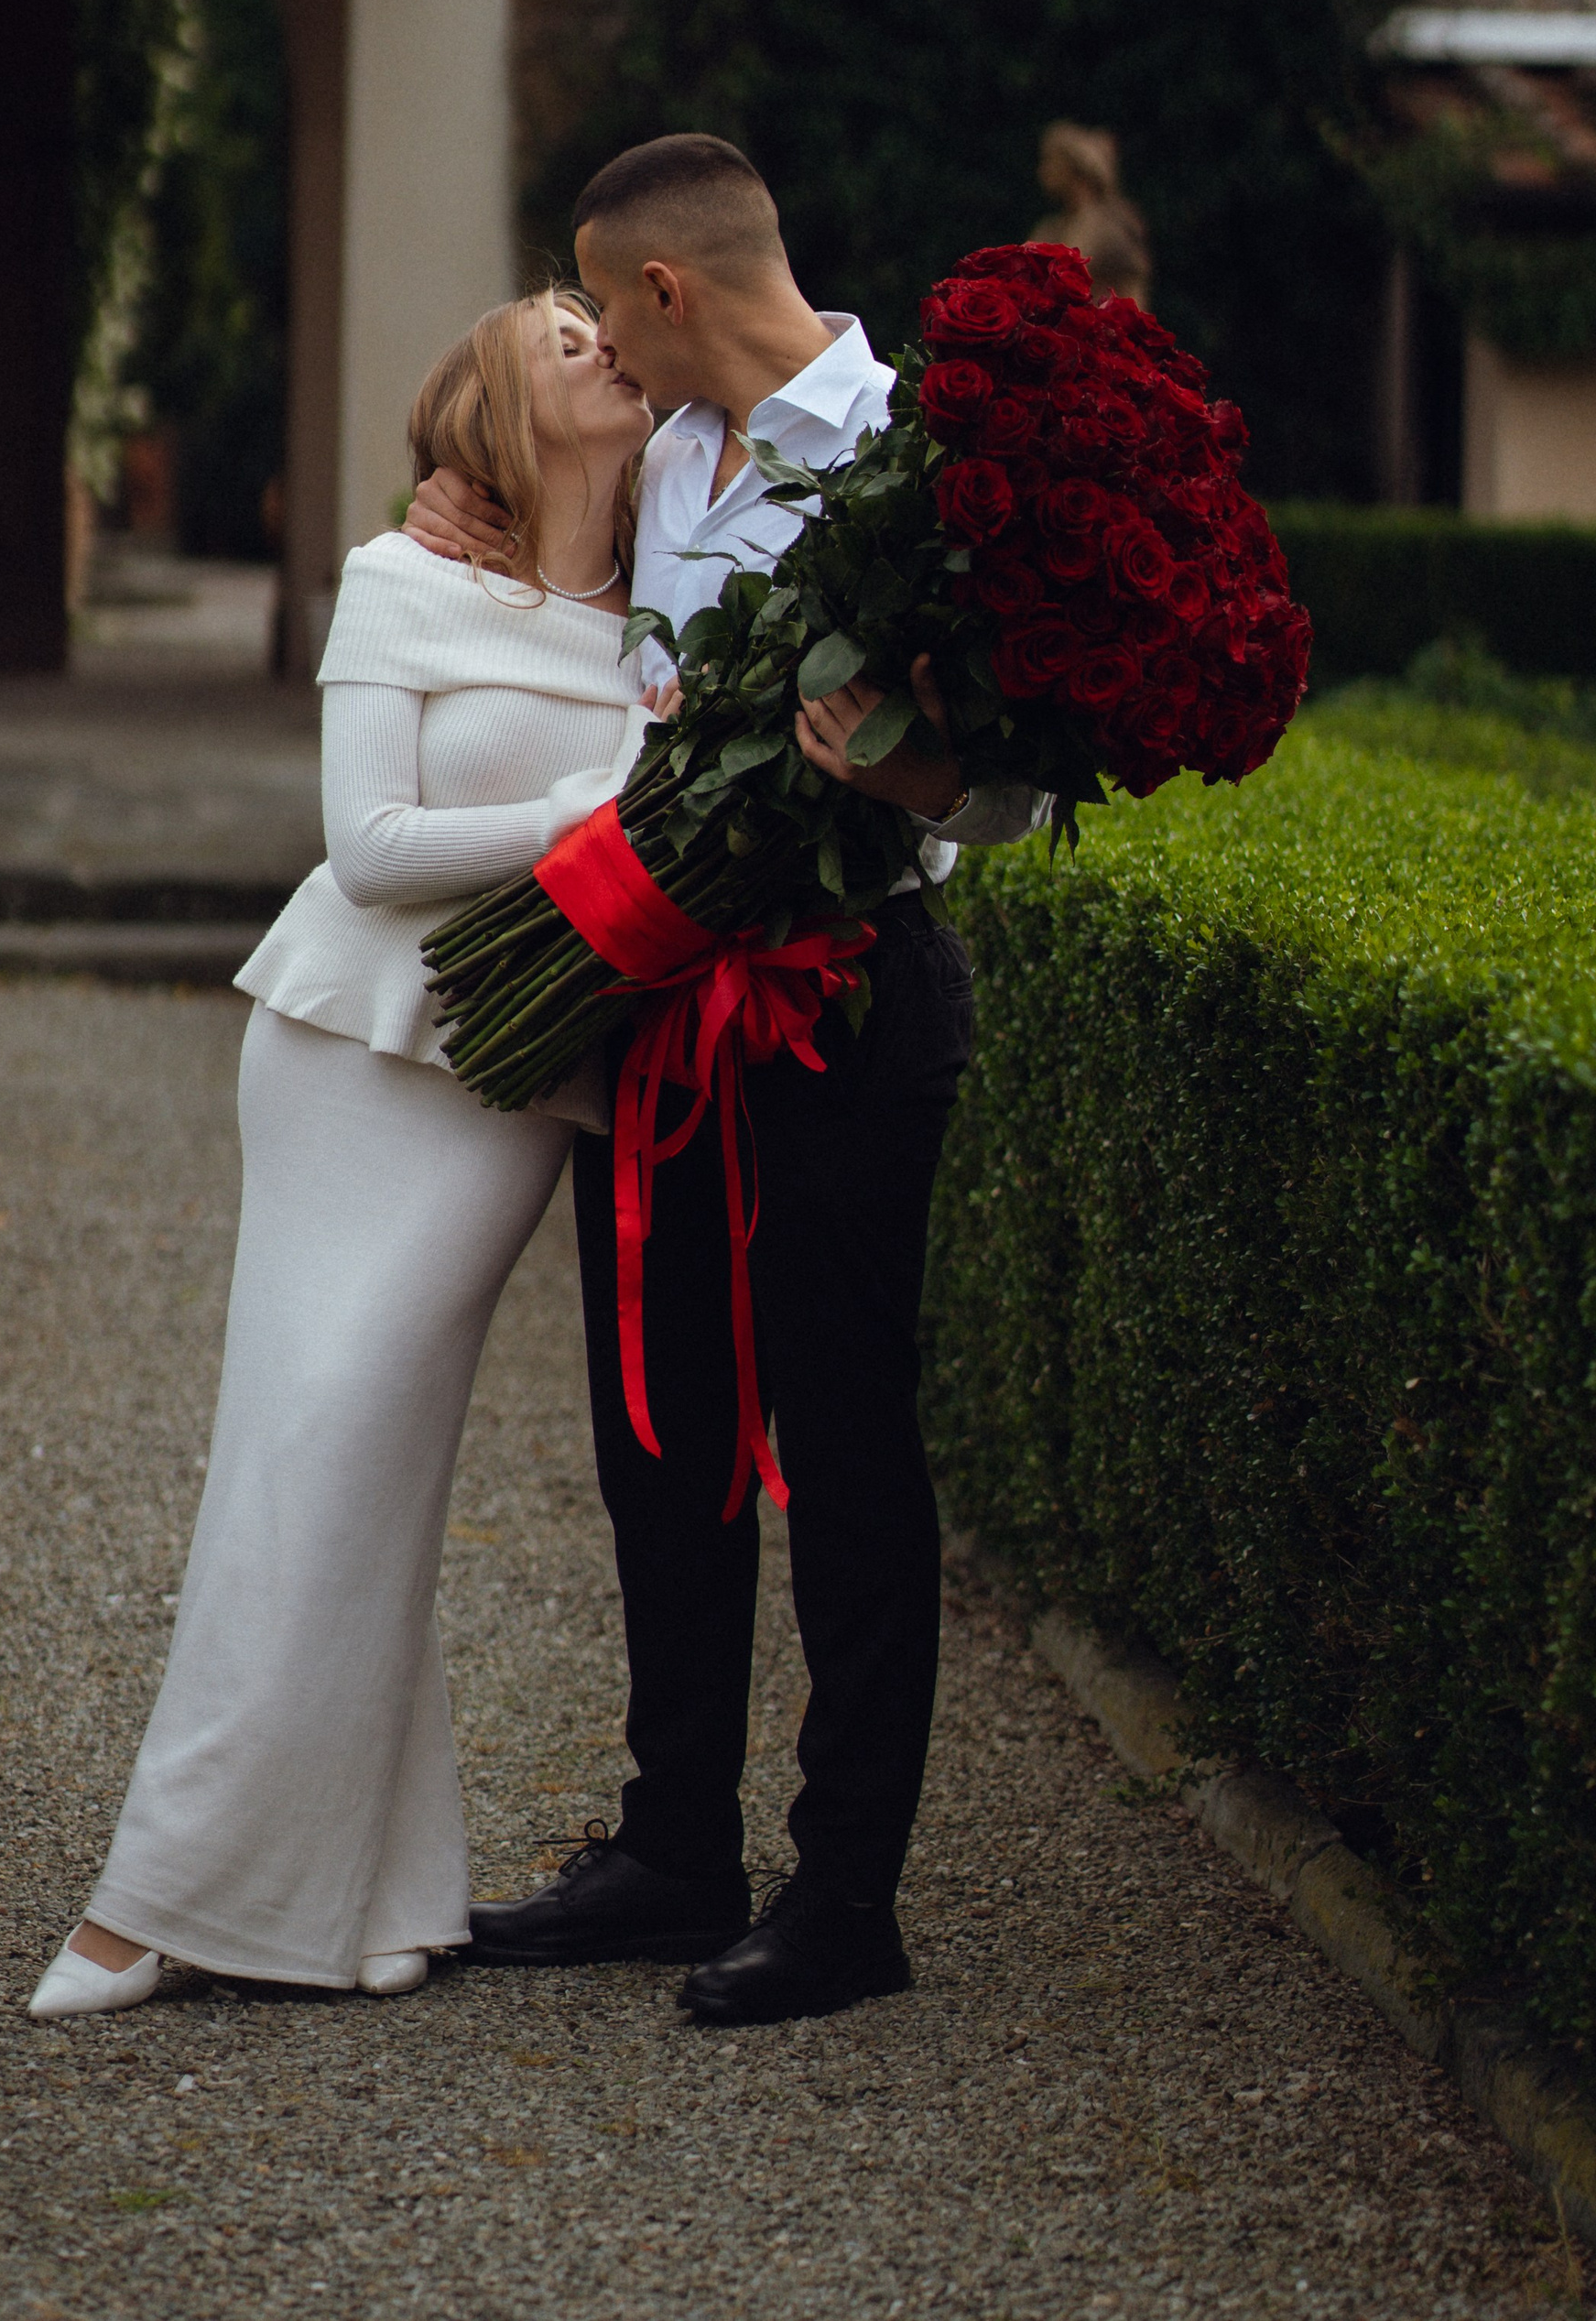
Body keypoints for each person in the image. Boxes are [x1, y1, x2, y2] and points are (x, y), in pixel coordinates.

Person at [406, 135, 1046, 2028]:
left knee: (843, 1450)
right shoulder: (660, 454)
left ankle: (846, 1895)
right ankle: (672, 1846)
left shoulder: (915, 464)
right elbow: (547, 620)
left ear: (665, 290)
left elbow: (1007, 793)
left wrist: (902, 773)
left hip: (847, 1002)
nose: (595, 343)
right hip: (662, 1004)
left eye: (603, 304)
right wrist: (458, 518)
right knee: (659, 1434)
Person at [27, 287, 651, 2017]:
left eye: (608, 324)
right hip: (340, 1054)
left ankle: (326, 1888)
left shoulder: (677, 604)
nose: (597, 340)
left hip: (512, 1086)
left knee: (363, 1451)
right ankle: (217, 1891)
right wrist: (595, 818)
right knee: (306, 1450)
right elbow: (369, 847)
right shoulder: (406, 578)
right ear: (497, 415)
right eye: (560, 338)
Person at [1027, 120, 1152, 305]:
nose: (1042, 170)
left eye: (1051, 161)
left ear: (1076, 168)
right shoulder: (1051, 228)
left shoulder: (1110, 227)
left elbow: (1133, 299)